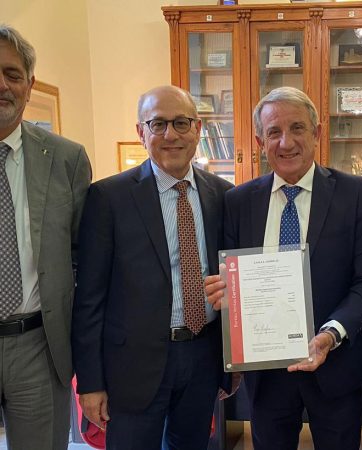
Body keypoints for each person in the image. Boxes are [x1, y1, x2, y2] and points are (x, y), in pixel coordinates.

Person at [205, 86, 362, 450]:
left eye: (297, 128)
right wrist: (226, 294)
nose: (286, 142)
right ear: (260, 142)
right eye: (274, 132)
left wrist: (331, 334)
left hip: (336, 365)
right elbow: (230, 280)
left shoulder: (354, 194)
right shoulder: (238, 202)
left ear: (317, 133)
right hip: (266, 373)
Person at [71, 85, 233, 449]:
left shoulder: (223, 195)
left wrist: (232, 363)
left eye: (181, 123)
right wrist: (91, 383)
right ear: (140, 132)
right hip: (132, 366)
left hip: (202, 357)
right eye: (158, 124)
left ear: (198, 129)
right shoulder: (108, 198)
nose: (170, 135)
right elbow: (89, 299)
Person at [0, 25, 92, 450]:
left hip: (38, 346)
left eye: (12, 74)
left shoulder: (66, 158)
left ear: (29, 84)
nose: (3, 85)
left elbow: (82, 257)